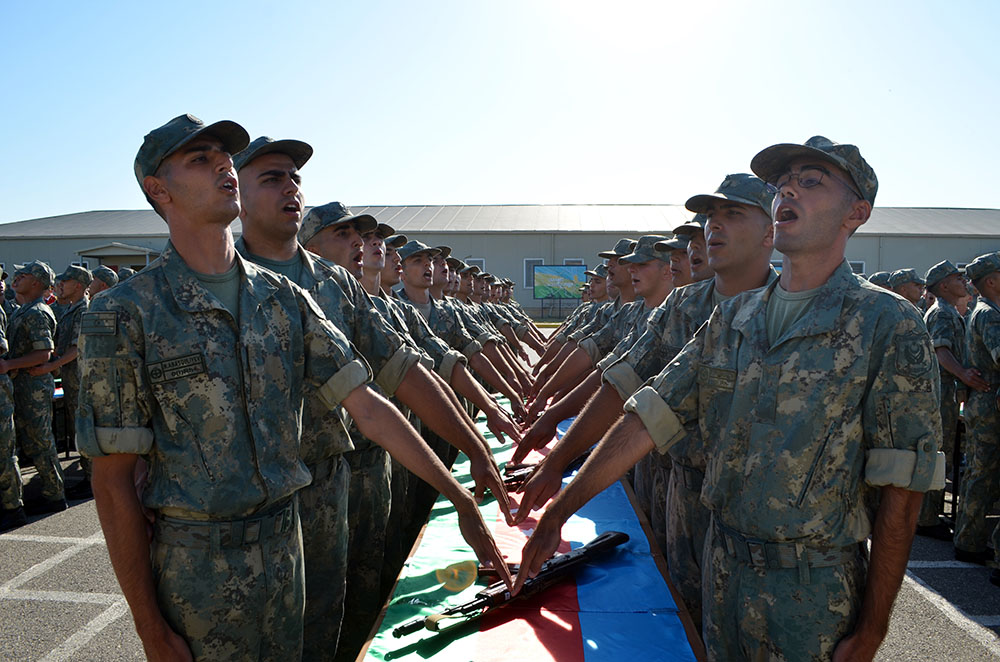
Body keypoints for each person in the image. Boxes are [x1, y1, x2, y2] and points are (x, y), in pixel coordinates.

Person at [78, 114, 509, 662]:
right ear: (158, 190)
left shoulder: (285, 298)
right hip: (198, 569)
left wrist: (458, 491)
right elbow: (112, 480)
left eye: (223, 156)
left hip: (291, 551)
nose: (222, 166)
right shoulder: (123, 313)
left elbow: (370, 406)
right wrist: (148, 627)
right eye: (199, 158)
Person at [516, 136, 944, 661]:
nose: (790, 189)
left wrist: (874, 628)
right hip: (721, 573)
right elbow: (646, 415)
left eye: (811, 181)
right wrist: (563, 505)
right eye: (784, 183)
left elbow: (903, 484)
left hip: (808, 594)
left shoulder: (887, 323)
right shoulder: (734, 318)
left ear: (856, 213)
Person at [234, 140, 512, 660]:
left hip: (335, 480)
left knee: (338, 621)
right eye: (271, 178)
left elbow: (406, 372)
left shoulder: (335, 287)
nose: (290, 187)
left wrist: (472, 449)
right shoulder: (213, 282)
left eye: (295, 178)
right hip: (241, 511)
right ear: (238, 194)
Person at [918, 261, 987, 541]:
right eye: (957, 278)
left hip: (946, 391)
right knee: (940, 453)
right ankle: (926, 518)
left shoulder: (947, 311)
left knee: (942, 453)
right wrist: (964, 375)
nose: (964, 282)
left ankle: (928, 515)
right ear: (944, 286)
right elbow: (940, 351)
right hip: (941, 392)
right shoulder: (943, 313)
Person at [3, 261, 65, 515]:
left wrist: (8, 365)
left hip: (33, 387)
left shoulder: (37, 312)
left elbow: (43, 354)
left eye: (23, 275)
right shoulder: (23, 309)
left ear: (37, 283)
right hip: (22, 384)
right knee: (30, 442)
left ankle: (55, 495)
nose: (16, 278)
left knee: (40, 443)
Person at [953, 253, 1000, 570]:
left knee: (980, 474)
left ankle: (969, 540)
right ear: (993, 281)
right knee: (983, 475)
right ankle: (969, 542)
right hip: (989, 406)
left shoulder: (983, 311)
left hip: (983, 403)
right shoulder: (990, 315)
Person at [31, 264, 94, 499]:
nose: (59, 286)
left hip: (80, 381)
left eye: (64, 282)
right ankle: (89, 476)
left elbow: (76, 349)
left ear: (78, 285)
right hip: (70, 380)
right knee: (76, 427)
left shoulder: (83, 310)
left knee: (83, 429)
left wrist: (49, 366)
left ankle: (92, 479)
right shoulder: (70, 309)